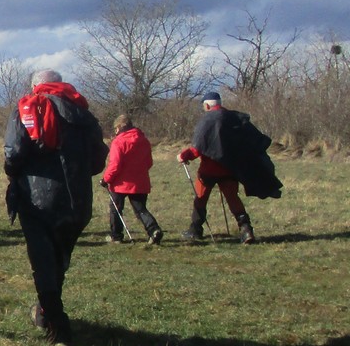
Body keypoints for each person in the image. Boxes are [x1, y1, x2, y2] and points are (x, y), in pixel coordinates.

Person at [4, 69, 106, 346]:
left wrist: (13, 172)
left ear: (36, 86)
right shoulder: (83, 113)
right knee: (59, 258)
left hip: (37, 199)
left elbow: (13, 153)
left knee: (42, 262)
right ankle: (45, 311)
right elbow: (98, 159)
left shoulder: (27, 108)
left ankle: (58, 328)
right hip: (77, 201)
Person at [177, 91, 282, 244]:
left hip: (209, 170)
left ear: (207, 106)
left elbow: (199, 147)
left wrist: (184, 156)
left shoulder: (208, 120)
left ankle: (195, 230)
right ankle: (246, 230)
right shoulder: (234, 118)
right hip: (231, 169)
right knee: (233, 199)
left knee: (201, 198)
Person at [101, 114, 164, 245]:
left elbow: (115, 164)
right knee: (140, 209)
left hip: (120, 183)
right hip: (140, 181)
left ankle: (116, 236)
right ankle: (154, 230)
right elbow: (149, 162)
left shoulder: (118, 142)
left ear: (119, 127)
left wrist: (106, 179)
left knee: (116, 208)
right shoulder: (143, 140)